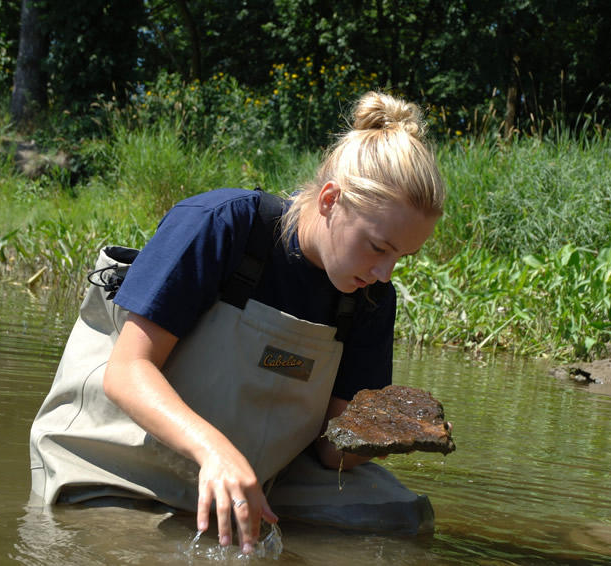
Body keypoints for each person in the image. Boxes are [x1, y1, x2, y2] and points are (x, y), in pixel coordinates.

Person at [29, 91, 446, 555]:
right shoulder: (225, 225)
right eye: (378, 247)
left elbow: (333, 455)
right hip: (120, 463)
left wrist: (383, 432)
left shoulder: (369, 296)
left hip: (260, 474)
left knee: (399, 518)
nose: (385, 274)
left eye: (402, 257)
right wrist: (214, 452)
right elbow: (126, 372)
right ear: (331, 201)